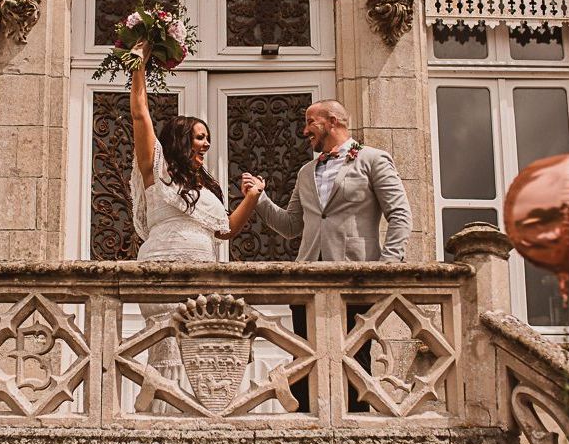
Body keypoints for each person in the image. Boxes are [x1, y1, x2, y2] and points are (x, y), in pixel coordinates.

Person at [242, 99, 412, 410]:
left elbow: (400, 215)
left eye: (310, 122)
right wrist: (260, 198)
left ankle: (357, 431)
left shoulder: (373, 160)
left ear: (332, 121)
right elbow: (291, 226)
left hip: (355, 279)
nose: (304, 130)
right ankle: (305, 428)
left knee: (355, 362)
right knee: (305, 358)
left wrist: (386, 269)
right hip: (306, 279)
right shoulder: (307, 172)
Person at [128, 41, 264, 410]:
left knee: (203, 347)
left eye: (207, 139)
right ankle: (163, 420)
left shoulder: (206, 187)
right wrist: (137, 67)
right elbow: (141, 117)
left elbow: (225, 232)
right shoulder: (156, 170)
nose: (205, 144)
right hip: (162, 267)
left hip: (205, 269)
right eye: (199, 137)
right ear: (180, 139)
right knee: (168, 345)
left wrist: (251, 199)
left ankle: (204, 416)